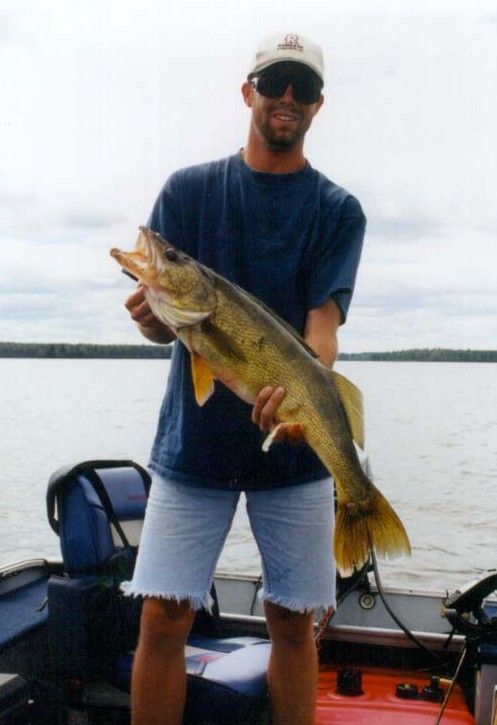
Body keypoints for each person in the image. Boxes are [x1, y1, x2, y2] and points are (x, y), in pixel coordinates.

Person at [123, 32, 366, 725]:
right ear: (247, 91)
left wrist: (300, 397)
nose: (285, 97)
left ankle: (359, 501)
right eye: (273, 82)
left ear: (318, 104)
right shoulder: (189, 190)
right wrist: (151, 317)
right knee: (163, 620)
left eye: (301, 87)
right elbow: (165, 326)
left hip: (293, 453)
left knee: (294, 623)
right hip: (191, 447)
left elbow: (322, 328)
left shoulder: (336, 210)